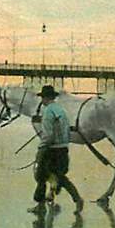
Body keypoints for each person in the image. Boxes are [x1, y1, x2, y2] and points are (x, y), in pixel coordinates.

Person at [30, 84, 83, 214]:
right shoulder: (60, 109)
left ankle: (40, 206)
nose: (41, 100)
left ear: (45, 98)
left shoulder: (48, 111)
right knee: (60, 177)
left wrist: (41, 149)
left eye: (42, 98)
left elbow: (48, 135)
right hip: (63, 149)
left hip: (51, 150)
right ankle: (77, 200)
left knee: (41, 176)